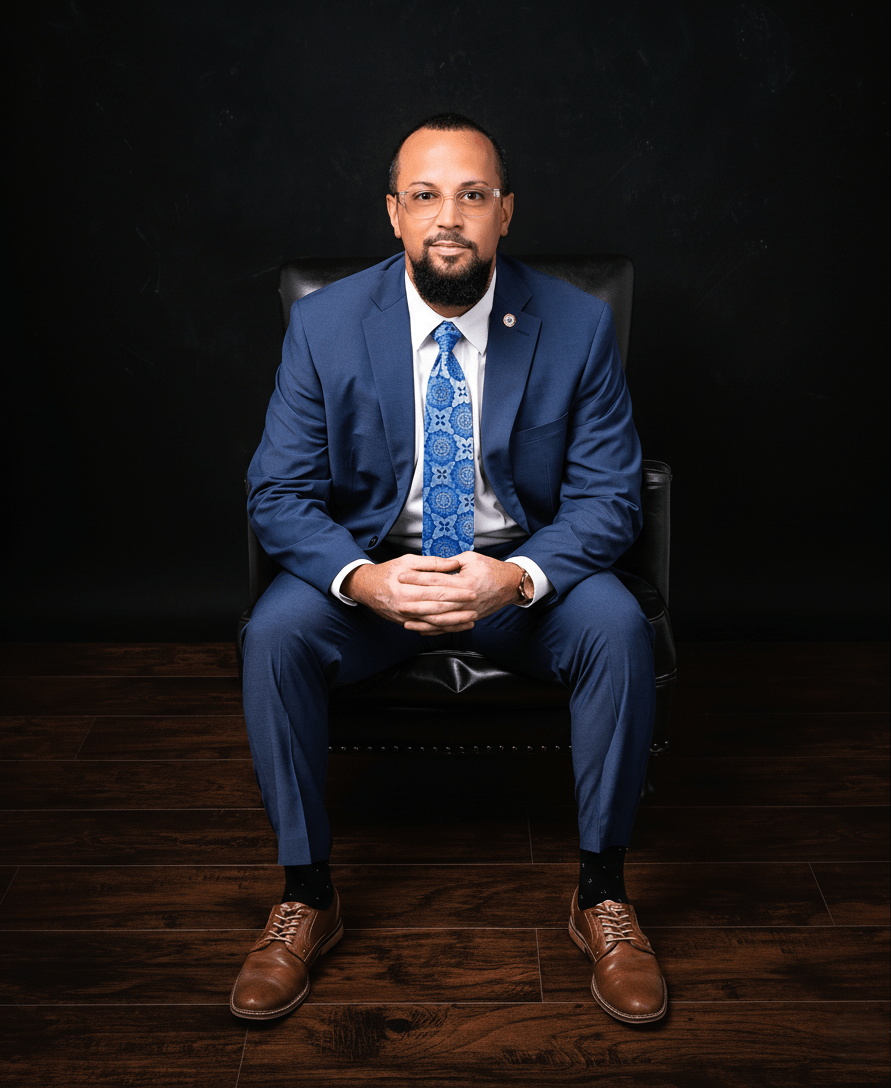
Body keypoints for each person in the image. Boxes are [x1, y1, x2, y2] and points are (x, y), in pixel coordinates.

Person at [230, 113, 666, 1025]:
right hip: (378, 574)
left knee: (618, 627)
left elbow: (612, 499)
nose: (449, 217)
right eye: (425, 195)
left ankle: (600, 895)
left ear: (505, 212)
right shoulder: (325, 325)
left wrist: (517, 579)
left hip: (521, 580)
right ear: (393, 213)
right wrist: (364, 579)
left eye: (472, 195)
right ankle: (308, 893)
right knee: (273, 632)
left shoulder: (576, 325)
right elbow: (276, 493)